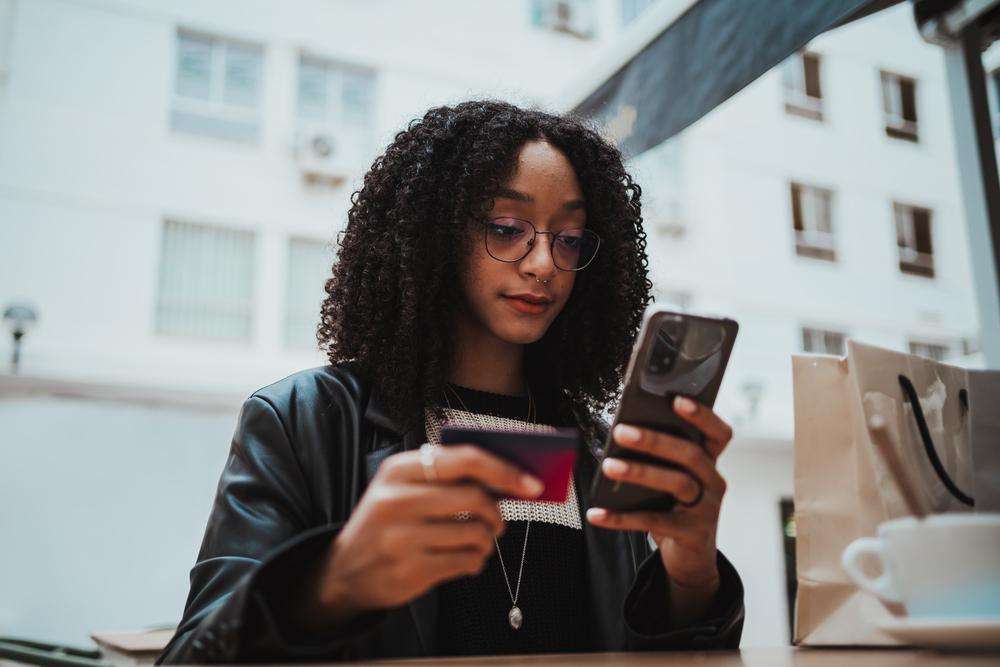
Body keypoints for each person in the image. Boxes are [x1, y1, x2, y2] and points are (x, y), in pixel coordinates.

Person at [157, 100, 744, 664]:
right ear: (434, 232)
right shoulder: (302, 421)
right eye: (509, 227)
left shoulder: (597, 451)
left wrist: (692, 573)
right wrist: (332, 583)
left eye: (568, 238)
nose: (543, 263)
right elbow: (193, 654)